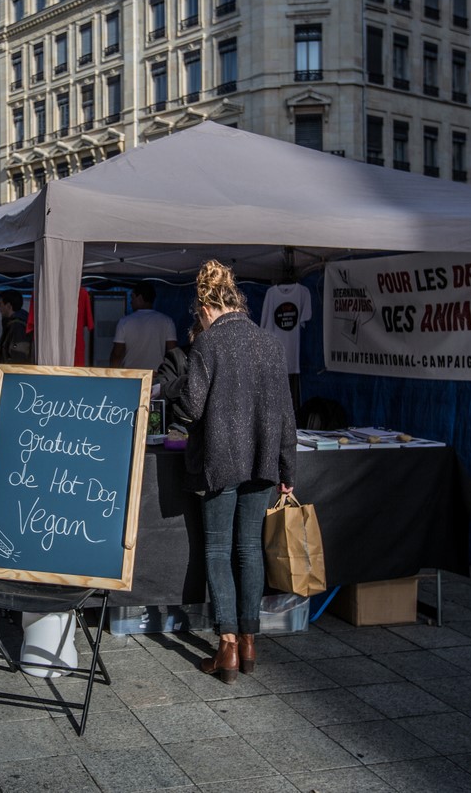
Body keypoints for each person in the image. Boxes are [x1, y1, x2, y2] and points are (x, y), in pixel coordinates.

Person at [180, 260, 296, 684]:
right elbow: (286, 415)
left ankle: (227, 645)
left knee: (216, 550)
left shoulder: (208, 345)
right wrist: (288, 468)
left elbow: (190, 408)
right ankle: (250, 642)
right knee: (250, 549)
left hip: (220, 461)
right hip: (263, 462)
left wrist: (174, 388)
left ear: (206, 305)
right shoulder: (269, 344)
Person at [110, 281, 177, 370]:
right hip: (156, 376)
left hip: (132, 376)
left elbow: (117, 354)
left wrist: (112, 375)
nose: (131, 302)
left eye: (133, 298)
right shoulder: (167, 321)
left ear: (140, 298)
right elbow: (173, 352)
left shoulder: (124, 322)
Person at [0, 290, 32, 364]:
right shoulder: (13, 324)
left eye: (0, 304)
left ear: (8, 306)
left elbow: (18, 358)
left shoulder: (18, 326)